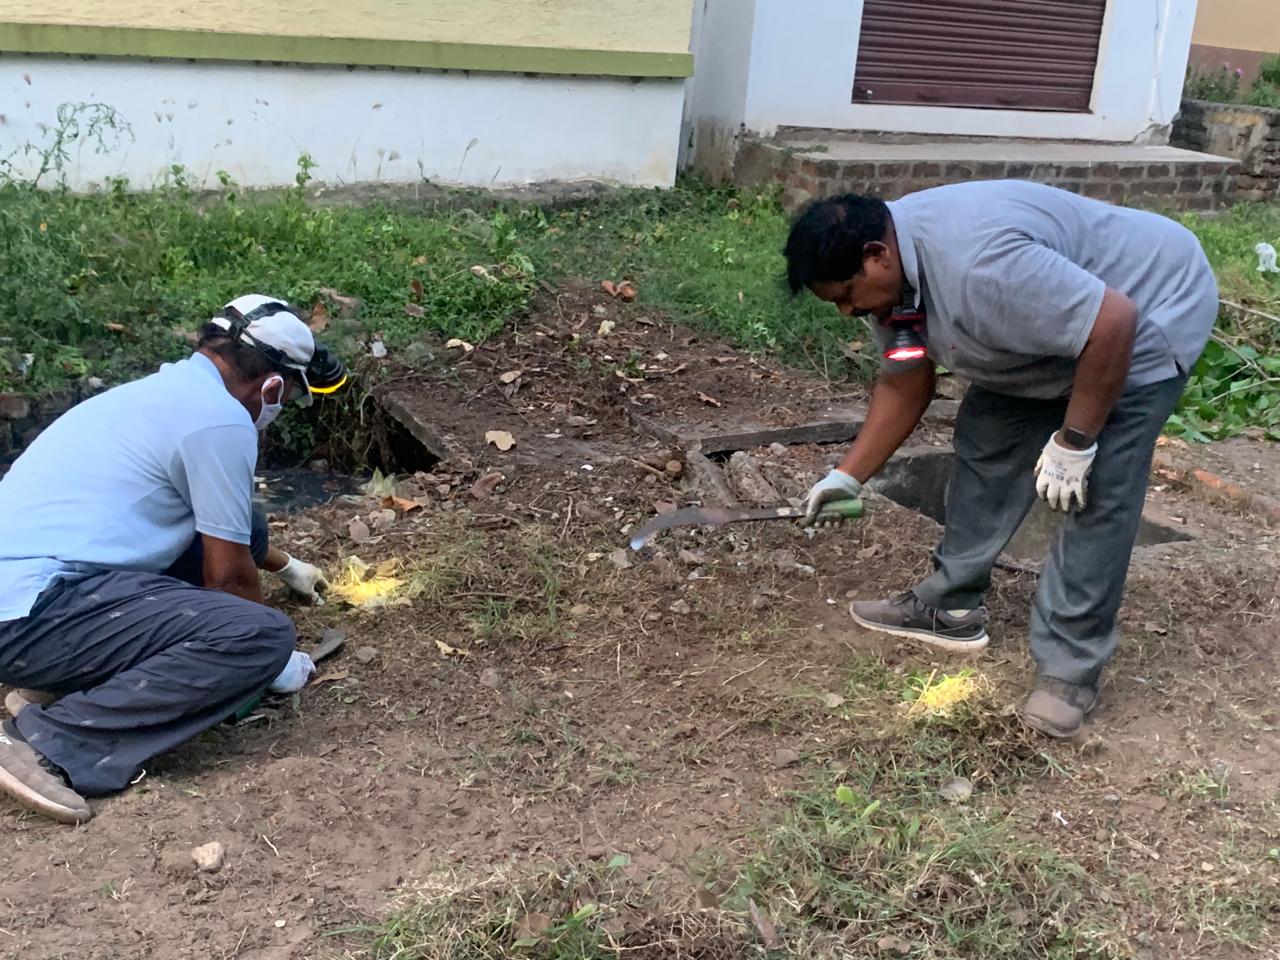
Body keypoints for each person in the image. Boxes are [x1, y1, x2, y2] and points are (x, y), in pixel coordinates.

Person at [785, 181, 1217, 739]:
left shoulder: (981, 267)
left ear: (877, 255)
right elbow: (905, 380)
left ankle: (1069, 671)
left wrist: (1075, 442)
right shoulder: (897, 281)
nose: (848, 311)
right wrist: (848, 476)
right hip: (1065, 325)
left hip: (1149, 311)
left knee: (1095, 490)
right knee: (987, 437)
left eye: (847, 295)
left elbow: (1112, 322)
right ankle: (952, 608)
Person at [0, 295, 347, 823]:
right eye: (290, 397)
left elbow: (230, 532)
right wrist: (271, 662)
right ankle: (49, 740)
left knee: (243, 524)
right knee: (258, 634)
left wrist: (285, 565)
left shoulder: (159, 392)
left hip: (27, 593)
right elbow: (228, 579)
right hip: (32, 612)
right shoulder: (221, 421)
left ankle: (55, 686)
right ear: (273, 386)